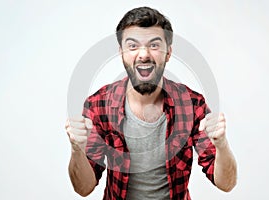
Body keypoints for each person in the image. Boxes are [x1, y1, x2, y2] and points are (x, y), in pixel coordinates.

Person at [65, 6, 237, 200]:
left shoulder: (192, 104)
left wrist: (221, 145)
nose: (144, 54)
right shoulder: (98, 106)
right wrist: (77, 149)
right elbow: (83, 188)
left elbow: (226, 184)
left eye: (154, 45)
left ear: (168, 53)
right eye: (133, 46)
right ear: (121, 52)